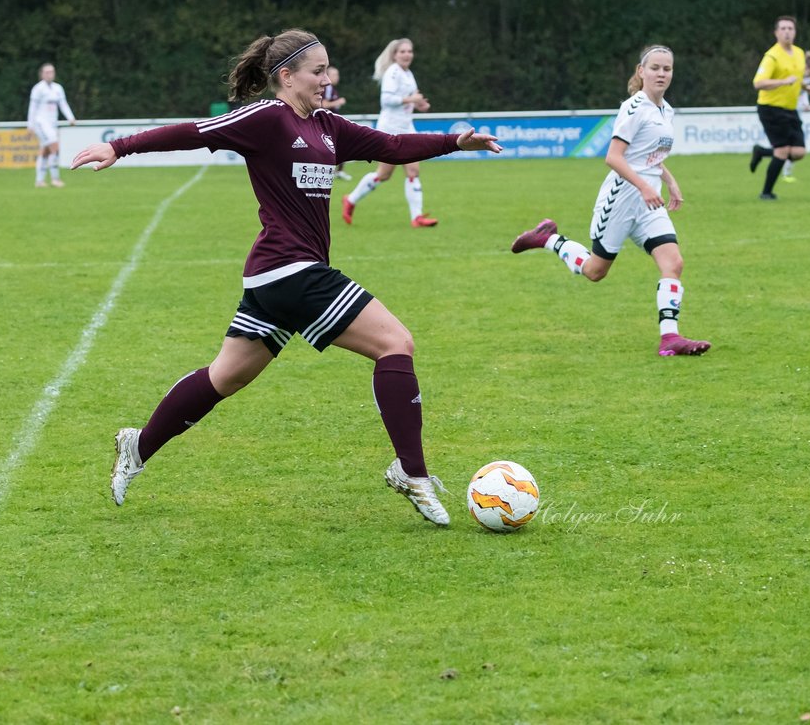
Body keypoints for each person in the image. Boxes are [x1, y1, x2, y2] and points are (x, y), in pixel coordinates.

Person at [71, 28, 502, 526]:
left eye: (326, 70)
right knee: (395, 343)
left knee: (225, 376)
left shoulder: (327, 126)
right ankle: (413, 473)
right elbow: (194, 131)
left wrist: (455, 141)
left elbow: (392, 143)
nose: (326, 79)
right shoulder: (266, 119)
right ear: (286, 76)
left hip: (274, 280)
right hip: (291, 271)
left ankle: (138, 445)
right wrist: (119, 147)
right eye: (317, 72)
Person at [509, 45, 711, 358]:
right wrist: (645, 186)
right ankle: (549, 239)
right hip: (621, 198)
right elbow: (613, 157)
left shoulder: (665, 110)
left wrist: (669, 181)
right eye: (655, 67)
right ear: (641, 71)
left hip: (648, 200)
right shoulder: (634, 108)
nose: (661, 73)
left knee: (674, 263)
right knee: (595, 271)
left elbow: (649, 155)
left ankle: (670, 337)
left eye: (667, 69)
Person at [341, 39, 438, 227]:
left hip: (406, 127)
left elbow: (413, 95)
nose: (407, 54)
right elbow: (386, 100)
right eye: (402, 51)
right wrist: (411, 98)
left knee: (413, 170)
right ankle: (350, 200)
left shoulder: (408, 73)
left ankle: (416, 218)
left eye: (410, 51)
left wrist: (420, 103)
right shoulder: (392, 72)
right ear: (395, 54)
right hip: (390, 129)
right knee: (384, 174)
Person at [748, 16, 807, 200]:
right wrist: (783, 82)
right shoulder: (772, 56)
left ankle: (761, 152)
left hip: (790, 109)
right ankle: (766, 193)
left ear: (795, 32)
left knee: (798, 152)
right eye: (783, 28)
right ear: (776, 33)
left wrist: (806, 87)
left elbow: (795, 78)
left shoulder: (799, 53)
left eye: (790, 28)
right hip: (770, 108)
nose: (787, 31)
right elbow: (758, 83)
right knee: (782, 151)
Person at [752, 49, 810, 183]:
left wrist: (806, 98)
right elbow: (762, 83)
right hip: (777, 110)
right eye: (809, 71)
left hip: (792, 111)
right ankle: (779, 178)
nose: (809, 75)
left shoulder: (805, 77)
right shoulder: (787, 66)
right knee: (787, 148)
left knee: (797, 150)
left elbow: (800, 89)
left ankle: (763, 153)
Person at [27, 63, 77, 188]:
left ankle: (39, 181)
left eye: (52, 72)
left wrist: (70, 117)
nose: (50, 74)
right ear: (42, 74)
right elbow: (32, 108)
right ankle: (55, 179)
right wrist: (30, 124)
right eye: (47, 72)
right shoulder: (38, 89)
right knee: (55, 147)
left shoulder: (58, 88)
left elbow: (63, 104)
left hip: (52, 124)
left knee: (45, 151)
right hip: (41, 123)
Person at [321, 66, 351, 181]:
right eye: (334, 75)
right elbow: (323, 104)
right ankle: (333, 171)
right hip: (326, 123)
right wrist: (338, 102)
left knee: (341, 145)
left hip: (332, 123)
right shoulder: (327, 88)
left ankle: (338, 171)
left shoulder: (332, 88)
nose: (337, 77)